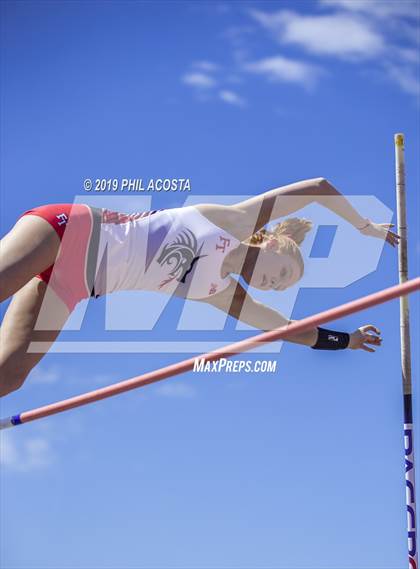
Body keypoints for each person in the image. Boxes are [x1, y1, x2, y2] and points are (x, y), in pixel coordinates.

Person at [0, 177, 399, 396]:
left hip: (72, 286)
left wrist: (346, 341)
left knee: (11, 376)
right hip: (69, 231)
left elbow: (288, 329)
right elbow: (319, 188)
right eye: (282, 274)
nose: (275, 286)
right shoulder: (236, 221)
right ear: (273, 242)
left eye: (281, 287)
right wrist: (363, 227)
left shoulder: (221, 292)